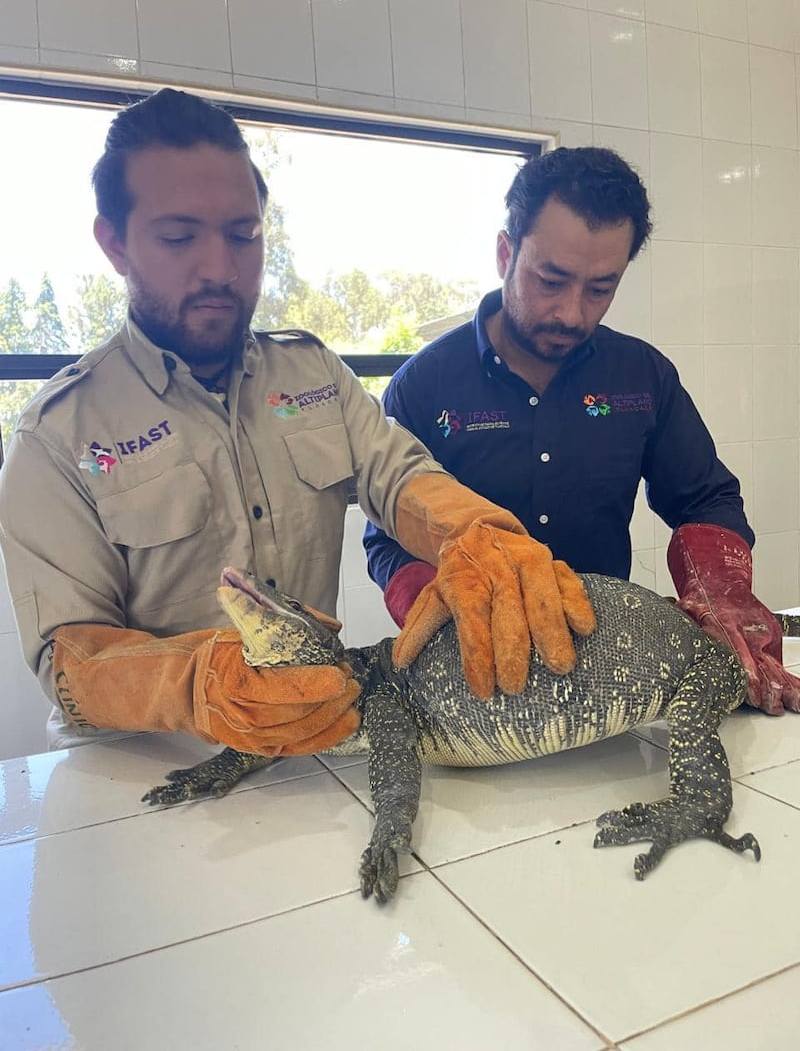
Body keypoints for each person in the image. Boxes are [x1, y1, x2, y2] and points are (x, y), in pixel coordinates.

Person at [0, 89, 595, 753]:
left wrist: (474, 533)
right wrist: (198, 685)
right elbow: (71, 657)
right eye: (178, 237)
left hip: (308, 751)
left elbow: (400, 479)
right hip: (142, 776)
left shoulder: (310, 375)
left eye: (243, 235)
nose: (221, 269)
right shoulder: (54, 437)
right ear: (114, 243)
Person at [364, 145, 800, 716]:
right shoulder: (424, 385)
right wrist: (442, 604)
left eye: (600, 288)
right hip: (479, 673)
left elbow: (706, 499)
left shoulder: (641, 376)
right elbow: (386, 537)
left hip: (608, 668)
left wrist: (719, 590)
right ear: (505, 253)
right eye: (551, 280)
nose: (572, 312)